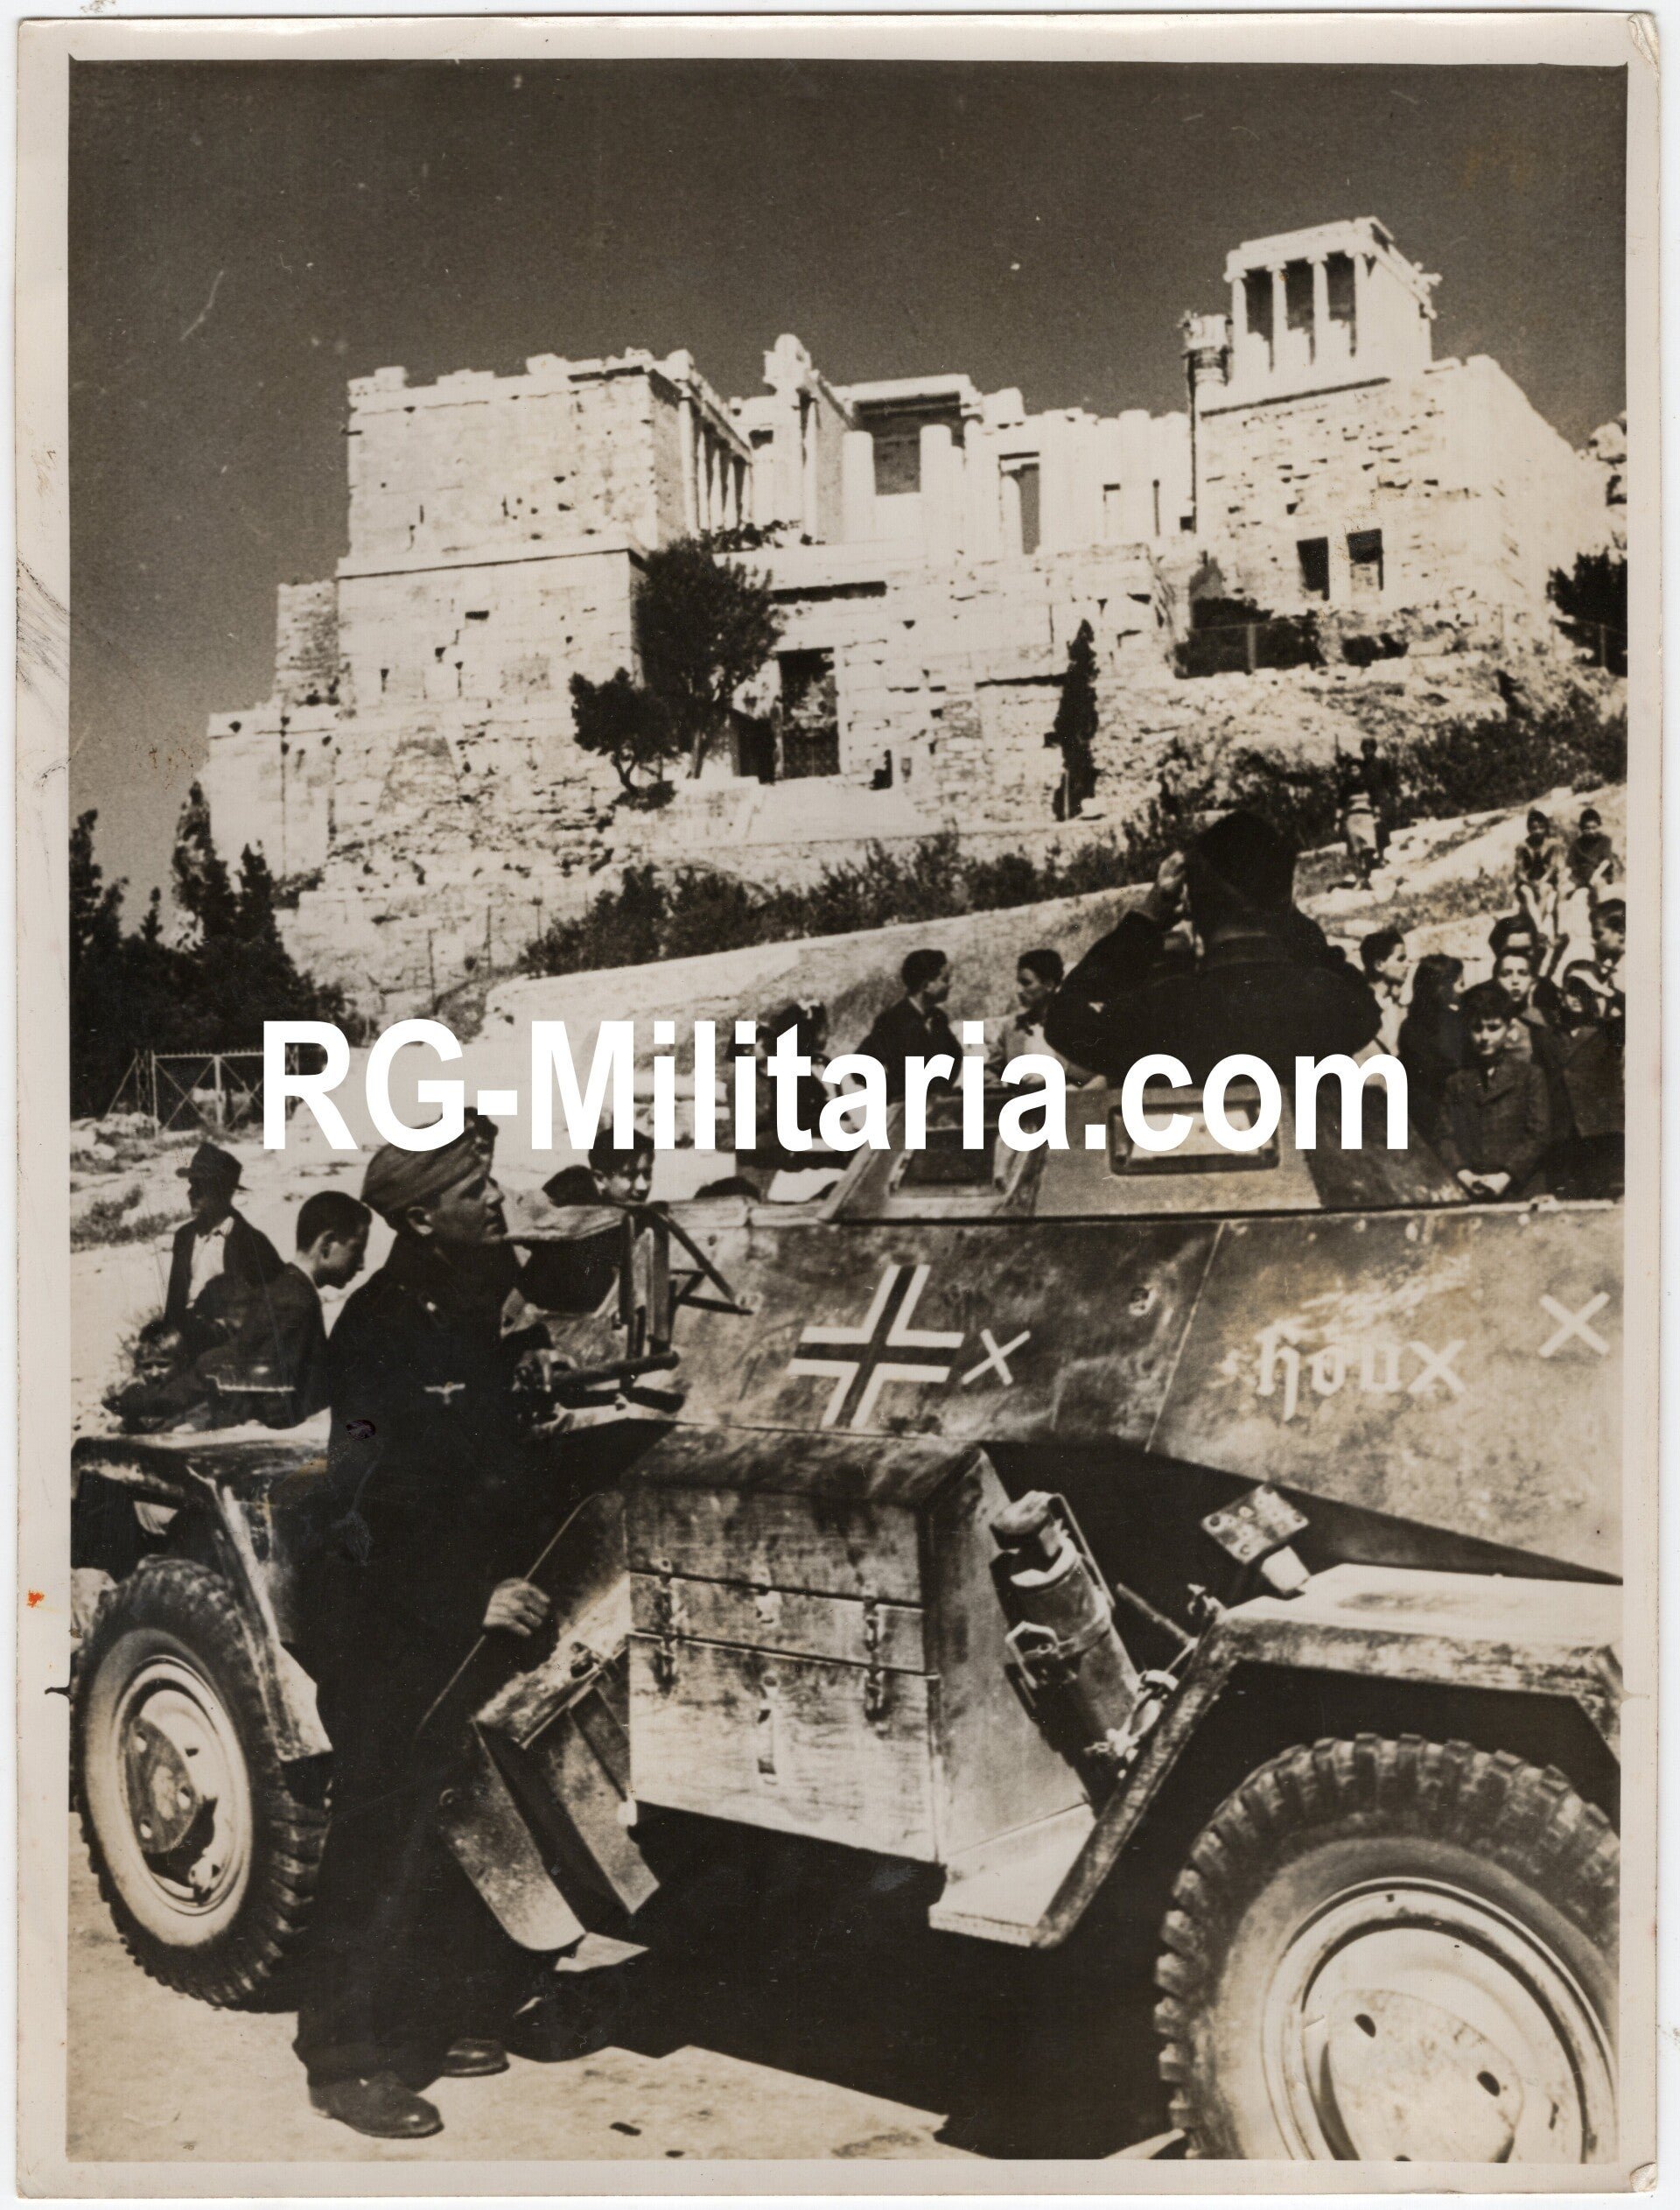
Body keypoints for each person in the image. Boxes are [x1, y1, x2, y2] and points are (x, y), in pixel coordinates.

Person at [292, 1131, 565, 2139]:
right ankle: (343, 2054)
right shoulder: (375, 1328)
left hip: (474, 1597)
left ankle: (442, 2010)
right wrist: (467, 1599)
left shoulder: (472, 1284)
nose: (496, 1199)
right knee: (381, 1822)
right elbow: (368, 1498)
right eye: (476, 1188)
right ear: (418, 1217)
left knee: (462, 1810)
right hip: (393, 1614)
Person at [1044, 810, 1381, 1086]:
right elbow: (1362, 1002)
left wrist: (1146, 918)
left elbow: (1064, 1019)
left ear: (1192, 904)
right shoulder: (1331, 1002)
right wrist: (1288, 914)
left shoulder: (1153, 1013)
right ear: (1285, 900)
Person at [1435, 980, 1552, 1201]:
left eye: (1494, 1028)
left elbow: (1538, 1135)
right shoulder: (1456, 1082)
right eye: (1477, 1029)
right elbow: (1444, 1136)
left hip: (1519, 1189)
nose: (1485, 1037)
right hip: (1471, 1189)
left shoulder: (1529, 1076)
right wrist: (1464, 1174)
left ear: (1509, 1029)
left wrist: (1506, 1176)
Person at [163, 1140, 284, 1343]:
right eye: (192, 1186)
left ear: (223, 1192)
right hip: (185, 1340)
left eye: (201, 1188)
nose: (191, 1194)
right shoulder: (184, 1236)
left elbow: (274, 1303)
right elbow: (174, 1302)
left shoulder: (252, 1242)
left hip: (228, 1343)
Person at [1544, 969, 1625, 1199]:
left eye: (1584, 991)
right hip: (1563, 1135)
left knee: (1601, 1198)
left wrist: (1604, 990)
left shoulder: (1609, 1032)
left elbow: (1641, 1012)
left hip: (1600, 1133)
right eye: (1571, 991)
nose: (1577, 998)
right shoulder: (1549, 1034)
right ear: (1562, 995)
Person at [856, 951, 962, 1102]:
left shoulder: (939, 1018)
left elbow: (954, 1054)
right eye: (945, 979)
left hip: (937, 1110)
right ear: (926, 985)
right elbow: (861, 1066)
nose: (949, 985)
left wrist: (942, 1089)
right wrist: (895, 1094)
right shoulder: (891, 1021)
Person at [1396, 954, 1466, 1147]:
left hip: (1416, 1111)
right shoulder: (1455, 1022)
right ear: (1442, 987)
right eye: (1460, 983)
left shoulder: (1409, 1024)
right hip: (1445, 1111)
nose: (1463, 990)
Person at [1512, 809, 1566, 952]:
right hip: (1527, 882)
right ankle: (1540, 930)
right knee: (1528, 894)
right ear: (1529, 829)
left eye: (1541, 827)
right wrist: (1529, 883)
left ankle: (1538, 931)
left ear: (1546, 828)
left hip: (1545, 880)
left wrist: (1542, 881)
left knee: (1545, 891)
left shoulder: (1553, 844)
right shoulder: (1522, 846)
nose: (1538, 831)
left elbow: (1553, 867)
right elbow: (1519, 870)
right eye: (1534, 828)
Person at [1359, 928, 1410, 1055]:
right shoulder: (1358, 1010)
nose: (1407, 964)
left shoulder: (1397, 1008)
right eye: (1400, 959)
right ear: (1379, 965)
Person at [1567, 806, 1620, 899]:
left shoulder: (1605, 840)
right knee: (1565, 889)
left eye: (1594, 828)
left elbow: (1607, 861)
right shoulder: (1577, 844)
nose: (1591, 831)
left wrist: (1596, 875)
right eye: (1587, 829)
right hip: (1581, 876)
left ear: (1599, 826)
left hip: (1600, 874)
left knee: (1597, 888)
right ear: (1581, 828)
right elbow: (1570, 864)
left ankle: (1599, 910)